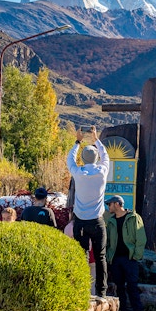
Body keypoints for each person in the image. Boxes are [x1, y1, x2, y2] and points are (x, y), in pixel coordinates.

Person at [67, 125, 110, 298]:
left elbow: (69, 159)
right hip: (97, 221)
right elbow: (106, 156)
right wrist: (96, 139)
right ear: (96, 158)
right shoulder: (102, 171)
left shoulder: (78, 172)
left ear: (83, 160)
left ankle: (82, 290)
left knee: (81, 256)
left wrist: (78, 141)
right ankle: (101, 292)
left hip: (80, 221)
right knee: (100, 257)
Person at [105, 195, 146, 311]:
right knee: (120, 287)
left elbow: (141, 238)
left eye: (109, 204)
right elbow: (107, 241)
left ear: (117, 204)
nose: (108, 207)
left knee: (132, 286)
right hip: (115, 259)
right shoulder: (111, 221)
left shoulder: (134, 218)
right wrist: (109, 256)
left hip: (130, 259)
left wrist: (136, 256)